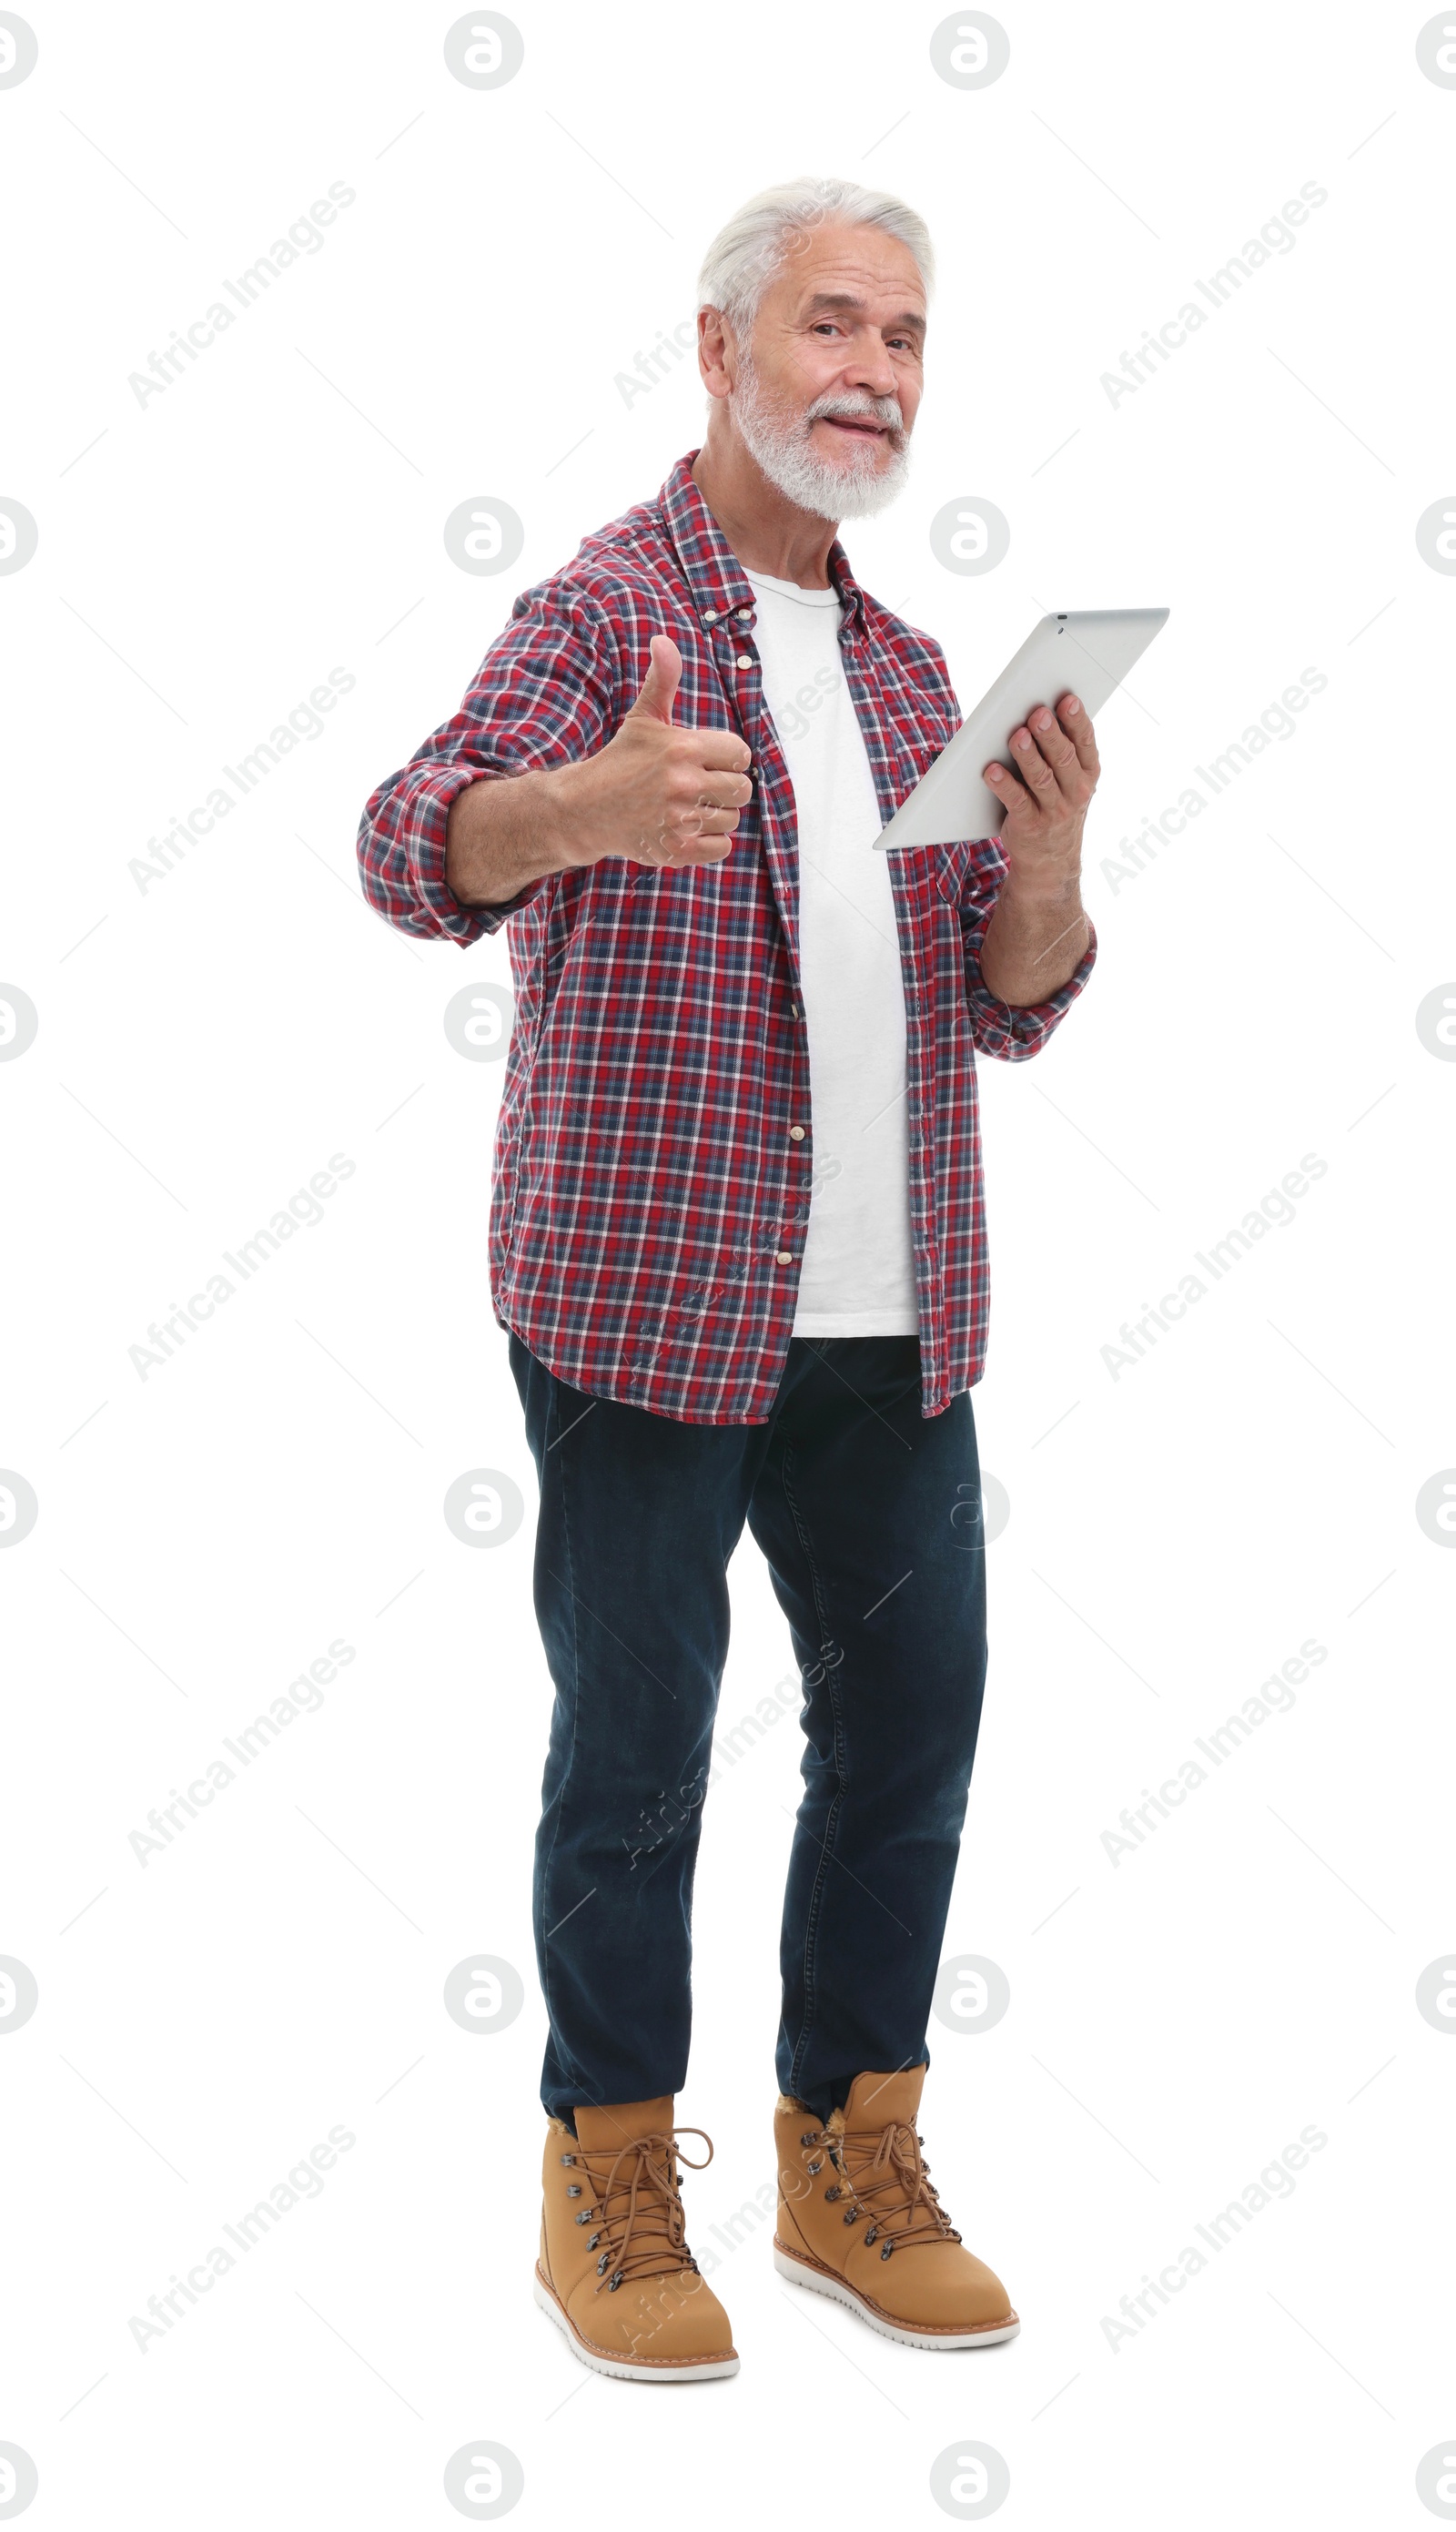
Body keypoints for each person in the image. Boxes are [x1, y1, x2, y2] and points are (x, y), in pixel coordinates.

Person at [358, 175, 1101, 2384]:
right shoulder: (604, 607)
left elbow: (1005, 1002)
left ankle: (845, 2151)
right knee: (642, 1747)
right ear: (719, 353)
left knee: (911, 1736)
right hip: (644, 1305)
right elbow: (407, 842)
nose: (870, 374)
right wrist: (569, 808)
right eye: (831, 328)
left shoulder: (904, 665)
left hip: (895, 1320)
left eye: (902, 340)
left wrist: (1044, 873)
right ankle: (603, 2168)